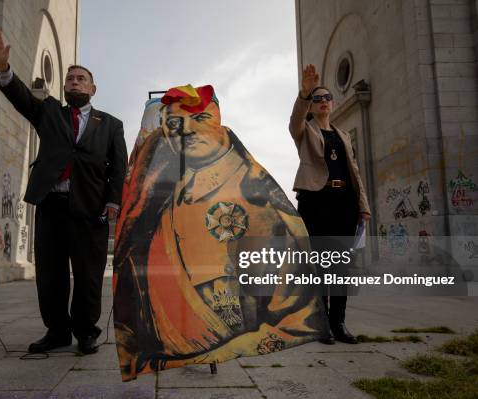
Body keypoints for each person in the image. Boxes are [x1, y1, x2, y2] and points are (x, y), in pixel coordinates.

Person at [113, 84, 328, 381]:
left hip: (217, 337)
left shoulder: (256, 199)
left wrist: (222, 346)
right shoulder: (153, 195)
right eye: (174, 124)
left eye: (199, 119)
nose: (186, 130)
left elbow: (295, 314)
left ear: (219, 125)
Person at [0, 27, 128, 354]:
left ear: (93, 88)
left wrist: (113, 202)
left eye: (81, 78)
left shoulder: (111, 124)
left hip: (90, 207)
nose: (75, 82)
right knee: (50, 274)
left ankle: (86, 332)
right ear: (64, 87)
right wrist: (3, 69)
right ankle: (58, 332)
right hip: (50, 204)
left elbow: (118, 168)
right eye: (70, 79)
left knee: (89, 275)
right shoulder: (49, 110)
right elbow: (21, 97)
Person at [289, 64, 371, 344]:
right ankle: (322, 324)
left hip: (344, 203)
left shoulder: (343, 136)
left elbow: (355, 172)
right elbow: (294, 120)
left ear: (332, 104)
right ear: (311, 106)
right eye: (317, 99)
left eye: (326, 98)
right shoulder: (305, 131)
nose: (322, 101)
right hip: (316, 201)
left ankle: (339, 323)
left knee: (340, 267)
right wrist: (305, 92)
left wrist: (363, 205)